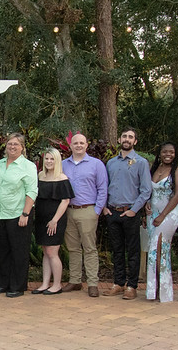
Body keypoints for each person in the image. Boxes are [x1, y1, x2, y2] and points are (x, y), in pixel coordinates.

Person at [102, 127, 151, 300]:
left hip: (130, 213)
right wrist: (104, 207)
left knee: (133, 251)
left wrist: (133, 210)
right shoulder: (111, 163)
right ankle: (118, 283)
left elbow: (146, 190)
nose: (127, 139)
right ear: (119, 139)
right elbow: (104, 186)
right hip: (112, 212)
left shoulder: (141, 162)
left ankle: (132, 286)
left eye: (130, 137)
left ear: (135, 142)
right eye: (124, 136)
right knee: (116, 250)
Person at [0, 133, 38, 298]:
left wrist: (25, 213)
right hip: (0, 214)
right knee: (3, 251)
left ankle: (18, 286)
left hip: (18, 214)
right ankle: (3, 283)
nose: (12, 147)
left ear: (22, 147)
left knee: (19, 251)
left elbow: (32, 191)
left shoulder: (28, 166)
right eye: (10, 143)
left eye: (16, 144)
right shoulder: (0, 164)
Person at [62, 133, 107, 297]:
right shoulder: (63, 165)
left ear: (86, 145)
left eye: (82, 143)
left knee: (89, 248)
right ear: (70, 145)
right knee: (73, 248)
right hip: (68, 211)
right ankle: (75, 281)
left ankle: (93, 283)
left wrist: (97, 211)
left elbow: (102, 189)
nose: (79, 145)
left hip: (88, 210)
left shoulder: (96, 164)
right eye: (75, 143)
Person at [145, 142, 178, 302]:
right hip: (152, 215)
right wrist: (146, 206)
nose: (168, 154)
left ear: (175, 154)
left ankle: (165, 292)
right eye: (164, 152)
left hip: (169, 215)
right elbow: (149, 191)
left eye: (171, 152)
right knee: (153, 252)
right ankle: (153, 290)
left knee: (158, 250)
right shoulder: (154, 169)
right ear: (159, 153)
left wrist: (162, 215)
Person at [32, 148, 74, 295]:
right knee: (45, 251)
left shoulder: (62, 178)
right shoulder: (40, 176)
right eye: (47, 159)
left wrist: (54, 220)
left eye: (52, 159)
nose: (49, 162)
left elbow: (65, 201)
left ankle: (56, 285)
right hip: (41, 219)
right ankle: (44, 284)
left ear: (57, 161)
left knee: (52, 251)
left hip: (55, 220)